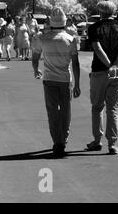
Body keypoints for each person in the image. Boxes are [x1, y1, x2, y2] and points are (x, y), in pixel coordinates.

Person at [32, 8, 81, 158]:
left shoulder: (42, 38)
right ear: (65, 22)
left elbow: (35, 57)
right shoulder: (70, 39)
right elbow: (76, 64)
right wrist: (77, 84)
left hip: (49, 79)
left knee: (52, 111)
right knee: (65, 111)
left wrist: (36, 69)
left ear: (50, 22)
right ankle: (63, 140)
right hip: (65, 80)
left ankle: (56, 142)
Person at [86, 1, 118, 155]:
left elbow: (97, 48)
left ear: (100, 12)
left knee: (97, 107)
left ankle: (97, 140)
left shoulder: (94, 27)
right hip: (117, 71)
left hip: (99, 71)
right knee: (112, 108)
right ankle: (112, 143)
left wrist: (108, 65)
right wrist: (115, 65)